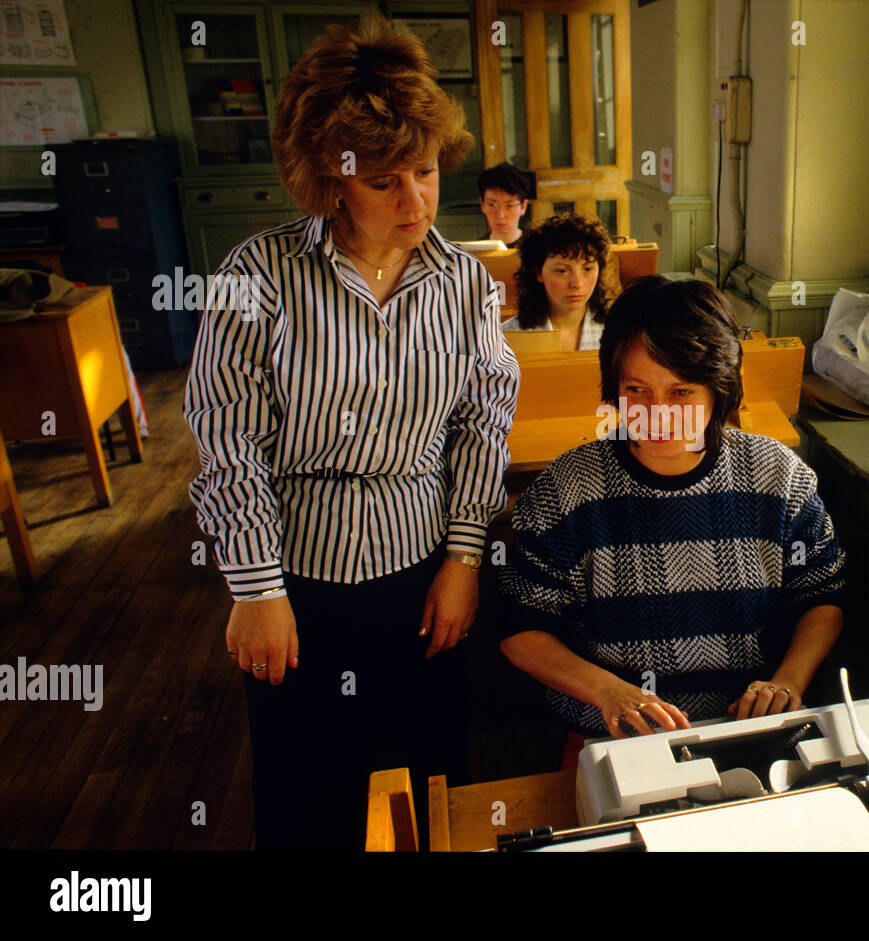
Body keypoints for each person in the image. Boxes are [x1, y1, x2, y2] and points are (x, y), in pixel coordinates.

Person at [183, 16, 520, 850]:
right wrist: (257, 589)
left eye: (427, 171)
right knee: (308, 793)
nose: (414, 202)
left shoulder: (467, 287)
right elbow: (228, 439)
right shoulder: (255, 276)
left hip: (422, 571)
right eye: (382, 182)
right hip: (296, 577)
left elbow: (482, 427)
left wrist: (465, 559)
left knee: (427, 779)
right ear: (329, 180)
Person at [497, 276, 846, 768]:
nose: (657, 414)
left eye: (681, 392)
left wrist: (787, 681)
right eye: (636, 389)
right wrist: (608, 692)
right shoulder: (566, 489)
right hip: (615, 742)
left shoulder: (777, 476)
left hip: (750, 733)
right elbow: (520, 629)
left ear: (719, 391)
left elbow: (823, 597)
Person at [500, 214, 611, 352]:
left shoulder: (617, 330)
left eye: (587, 269)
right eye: (562, 271)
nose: (577, 283)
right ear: (538, 272)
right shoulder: (508, 335)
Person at [477, 162, 534, 248]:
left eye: (509, 205)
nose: (500, 215)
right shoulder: (475, 253)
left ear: (523, 207)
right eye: (492, 205)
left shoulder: (538, 247)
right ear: (482, 205)